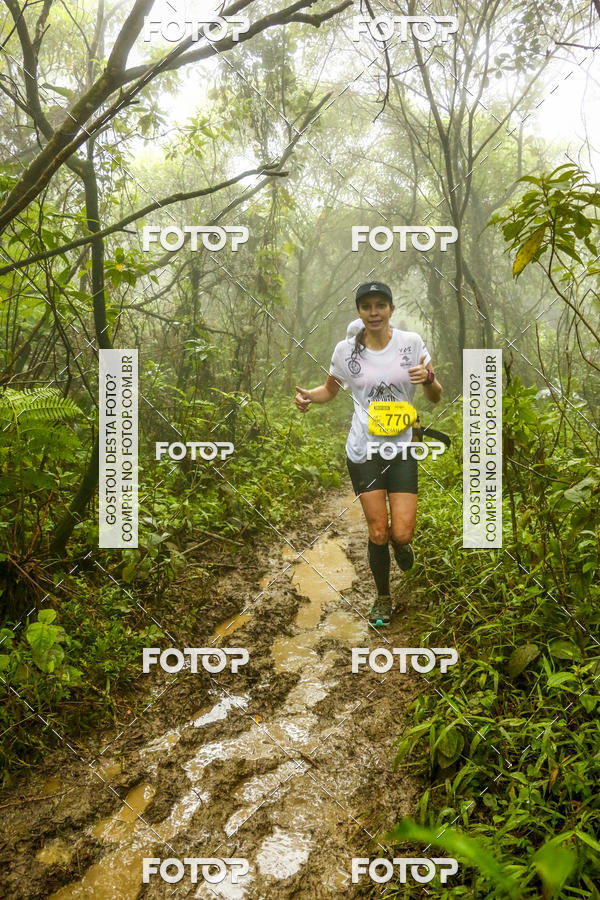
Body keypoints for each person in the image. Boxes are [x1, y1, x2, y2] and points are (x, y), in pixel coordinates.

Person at [294, 282, 442, 626]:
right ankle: (383, 597)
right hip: (364, 450)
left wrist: (428, 378)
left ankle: (401, 545)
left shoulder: (411, 343)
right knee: (378, 531)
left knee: (401, 533)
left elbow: (435, 396)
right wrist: (309, 397)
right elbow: (330, 390)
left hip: (401, 447)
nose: (374, 312)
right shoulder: (346, 351)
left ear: (391, 309)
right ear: (359, 312)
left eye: (380, 305)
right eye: (367, 306)